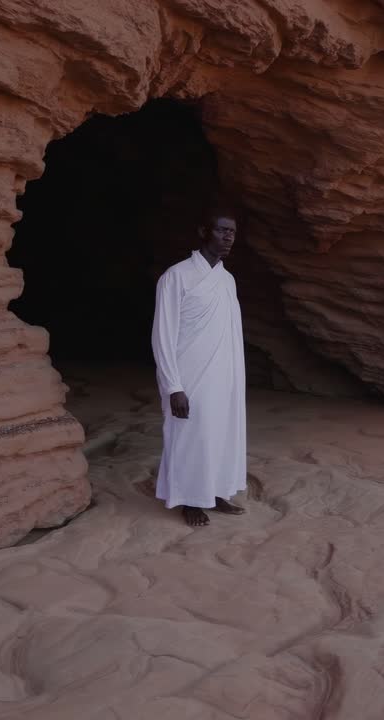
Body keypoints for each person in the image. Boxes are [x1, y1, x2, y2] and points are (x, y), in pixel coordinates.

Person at [150, 209, 248, 527]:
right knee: (191, 437)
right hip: (189, 377)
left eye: (232, 232)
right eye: (221, 230)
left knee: (220, 435)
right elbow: (162, 335)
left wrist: (235, 380)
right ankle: (190, 500)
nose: (228, 237)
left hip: (223, 377)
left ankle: (215, 492)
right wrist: (173, 386)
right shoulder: (176, 276)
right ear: (204, 231)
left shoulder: (228, 280)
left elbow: (231, 335)